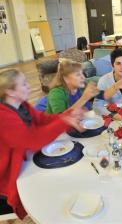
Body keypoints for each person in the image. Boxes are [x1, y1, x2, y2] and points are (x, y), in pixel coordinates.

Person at [0, 68, 83, 219]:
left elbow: (41, 119)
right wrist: (64, 121)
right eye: (24, 84)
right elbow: (32, 140)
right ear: (10, 92)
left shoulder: (22, 105)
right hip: (7, 177)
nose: (29, 87)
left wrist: (67, 116)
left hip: (24, 161)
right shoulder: (3, 116)